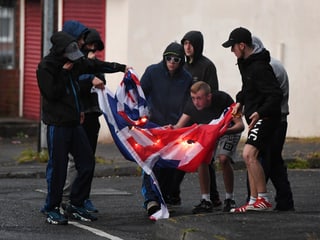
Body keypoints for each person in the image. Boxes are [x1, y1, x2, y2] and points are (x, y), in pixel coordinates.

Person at [37, 30, 129, 224]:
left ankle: (76, 203)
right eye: (70, 57)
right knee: (58, 168)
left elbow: (94, 64)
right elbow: (52, 93)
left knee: (87, 162)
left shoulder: (75, 63)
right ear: (60, 52)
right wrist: (64, 72)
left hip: (74, 122)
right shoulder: (46, 67)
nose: (74, 61)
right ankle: (51, 207)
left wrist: (120, 67)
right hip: (58, 124)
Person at [222, 27, 283, 212]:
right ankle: (252, 201)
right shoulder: (246, 64)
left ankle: (263, 199)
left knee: (249, 154)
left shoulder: (260, 67)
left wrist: (260, 112)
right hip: (255, 116)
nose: (232, 51)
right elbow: (248, 88)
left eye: (233, 47)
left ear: (242, 45)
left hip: (266, 117)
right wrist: (240, 102)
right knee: (250, 157)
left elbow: (275, 94)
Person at [172, 81, 244, 213]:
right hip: (209, 133)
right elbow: (178, 126)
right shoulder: (191, 106)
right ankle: (206, 200)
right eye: (193, 98)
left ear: (209, 97)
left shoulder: (224, 99)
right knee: (201, 158)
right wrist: (170, 129)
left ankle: (230, 198)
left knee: (223, 159)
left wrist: (222, 131)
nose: (195, 102)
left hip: (227, 130)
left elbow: (240, 125)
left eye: (199, 98)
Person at [140, 42, 192, 216]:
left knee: (170, 165)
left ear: (181, 61)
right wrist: (143, 116)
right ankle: (151, 200)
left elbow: (188, 104)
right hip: (153, 126)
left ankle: (163, 196)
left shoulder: (186, 78)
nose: (171, 62)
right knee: (151, 163)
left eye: (176, 59)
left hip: (175, 128)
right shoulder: (152, 72)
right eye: (168, 58)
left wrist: (180, 125)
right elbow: (140, 95)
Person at [246, 36, 294, 211]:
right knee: (274, 161)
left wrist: (257, 112)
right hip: (279, 118)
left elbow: (267, 96)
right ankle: (284, 200)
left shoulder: (267, 68)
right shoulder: (273, 65)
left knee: (258, 158)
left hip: (271, 120)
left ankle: (256, 198)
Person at [62, 21, 105, 213]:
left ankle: (83, 197)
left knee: (88, 160)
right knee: (74, 161)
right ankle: (66, 196)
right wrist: (89, 78)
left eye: (96, 48)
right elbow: (74, 82)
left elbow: (102, 81)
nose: (93, 51)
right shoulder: (75, 62)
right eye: (90, 46)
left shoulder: (94, 64)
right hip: (77, 115)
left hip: (92, 115)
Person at [181, 30, 222, 207]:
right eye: (185, 43)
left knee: (205, 159)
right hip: (185, 118)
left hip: (203, 121)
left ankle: (213, 196)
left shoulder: (207, 66)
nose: (187, 47)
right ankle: (173, 193)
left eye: (191, 43)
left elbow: (211, 93)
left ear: (198, 46)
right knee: (182, 155)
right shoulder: (182, 65)